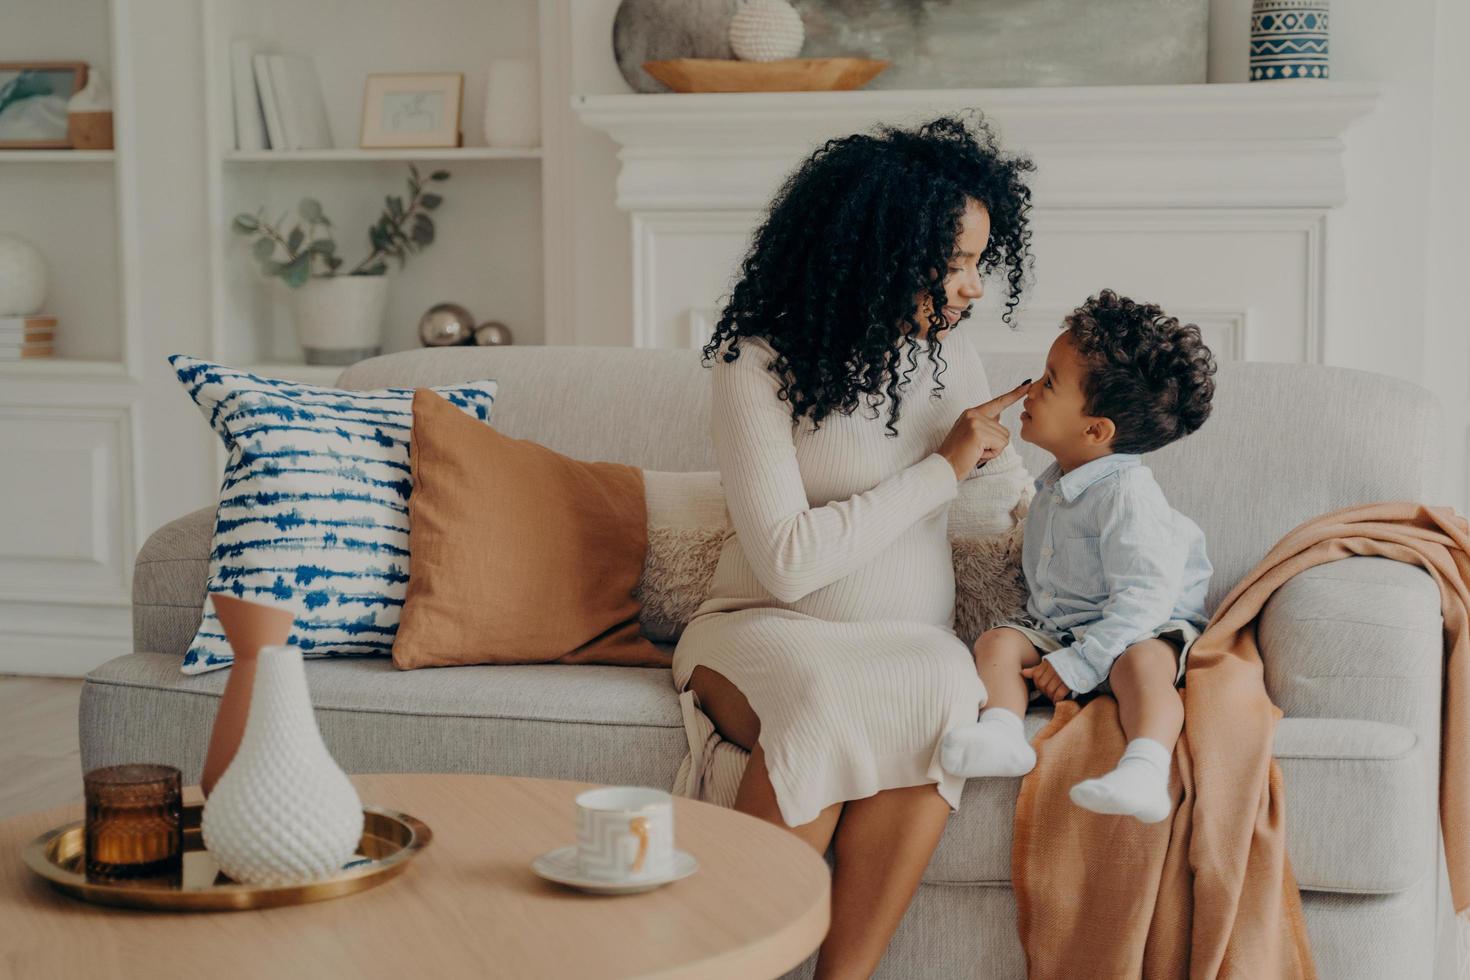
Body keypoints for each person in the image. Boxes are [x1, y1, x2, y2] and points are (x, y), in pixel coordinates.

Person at [673, 114, 1034, 978]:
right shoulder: (757, 364)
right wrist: (944, 467)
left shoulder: (953, 360)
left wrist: (1022, 478)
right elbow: (788, 564)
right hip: (759, 627)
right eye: (954, 264)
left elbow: (983, 517)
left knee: (943, 685)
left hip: (906, 642)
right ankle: (734, 963)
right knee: (832, 692)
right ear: (876, 251)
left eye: (980, 263)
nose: (974, 288)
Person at [940, 290, 1217, 825]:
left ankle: (1144, 767)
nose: (1031, 391)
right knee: (997, 641)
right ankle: (1001, 732)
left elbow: (1145, 598)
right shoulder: (1057, 484)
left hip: (1141, 625)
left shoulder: (1126, 496)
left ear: (1095, 431)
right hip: (1063, 626)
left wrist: (1087, 662)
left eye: (1048, 383)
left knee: (1143, 665)